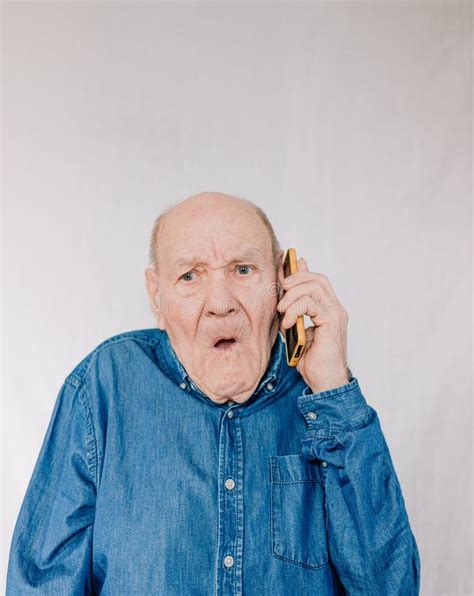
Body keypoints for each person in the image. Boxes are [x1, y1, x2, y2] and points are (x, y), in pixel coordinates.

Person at [6, 191, 421, 595]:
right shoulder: (103, 387)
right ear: (157, 296)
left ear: (282, 281)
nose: (220, 303)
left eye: (243, 269)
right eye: (190, 275)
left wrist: (333, 389)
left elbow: (392, 586)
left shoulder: (322, 398)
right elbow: (40, 586)